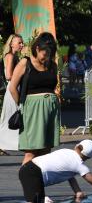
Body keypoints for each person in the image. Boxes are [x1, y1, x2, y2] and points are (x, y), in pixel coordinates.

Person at [18, 139, 92, 203]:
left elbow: (69, 175)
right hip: (34, 174)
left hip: (28, 168)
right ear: (88, 157)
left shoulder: (66, 151)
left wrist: (77, 191)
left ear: (77, 147)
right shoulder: (78, 164)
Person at [9, 32, 60, 165]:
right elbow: (12, 88)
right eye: (44, 54)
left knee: (45, 150)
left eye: (50, 54)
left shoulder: (52, 65)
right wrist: (23, 105)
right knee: (31, 151)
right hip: (32, 110)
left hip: (50, 111)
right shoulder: (25, 63)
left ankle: (39, 181)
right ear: (37, 48)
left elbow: (54, 86)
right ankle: (26, 179)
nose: (46, 57)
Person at [0, 34, 24, 152]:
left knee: (11, 116)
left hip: (14, 87)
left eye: (22, 42)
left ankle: (7, 144)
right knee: (13, 116)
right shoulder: (10, 56)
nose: (22, 45)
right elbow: (9, 75)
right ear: (11, 44)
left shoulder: (13, 56)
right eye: (19, 42)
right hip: (13, 88)